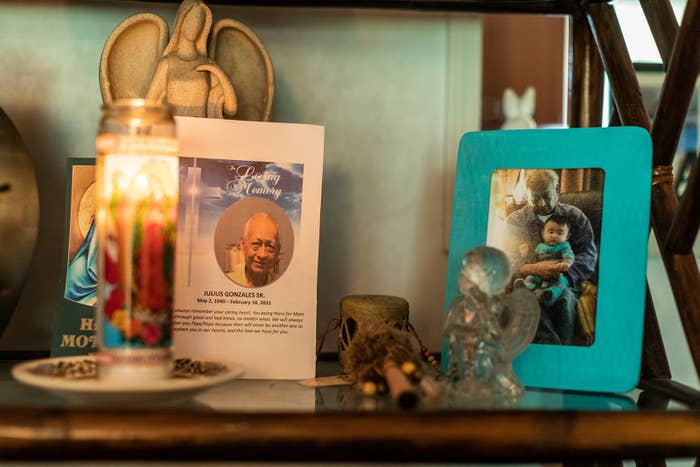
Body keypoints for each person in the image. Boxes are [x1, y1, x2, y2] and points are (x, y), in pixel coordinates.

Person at [504, 169, 597, 345]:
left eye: (546, 196)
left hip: (565, 281)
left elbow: (588, 254)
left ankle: (563, 352)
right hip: (528, 281)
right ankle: (552, 347)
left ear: (557, 188)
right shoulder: (515, 221)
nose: (541, 203)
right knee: (528, 299)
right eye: (535, 197)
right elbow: (506, 257)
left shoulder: (575, 216)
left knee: (565, 299)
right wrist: (532, 268)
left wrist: (565, 275)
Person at [145, 0, 237, 118]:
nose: (195, 26)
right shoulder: (167, 64)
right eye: (191, 19)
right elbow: (148, 105)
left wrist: (219, 74)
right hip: (172, 132)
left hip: (202, 132)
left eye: (200, 21)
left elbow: (231, 110)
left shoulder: (207, 65)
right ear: (181, 21)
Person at [515, 214, 575, 307]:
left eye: (559, 233)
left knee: (562, 282)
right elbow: (533, 260)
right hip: (539, 272)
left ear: (567, 236)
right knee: (531, 277)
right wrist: (524, 254)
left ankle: (550, 294)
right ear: (543, 233)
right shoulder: (540, 247)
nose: (554, 236)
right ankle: (525, 289)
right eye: (550, 232)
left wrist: (566, 263)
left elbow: (569, 255)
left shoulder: (564, 246)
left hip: (557, 272)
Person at [227, 212, 281, 287]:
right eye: (256, 244)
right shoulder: (225, 283)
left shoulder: (282, 286)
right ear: (243, 245)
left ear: (277, 251)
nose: (262, 255)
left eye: (270, 246)